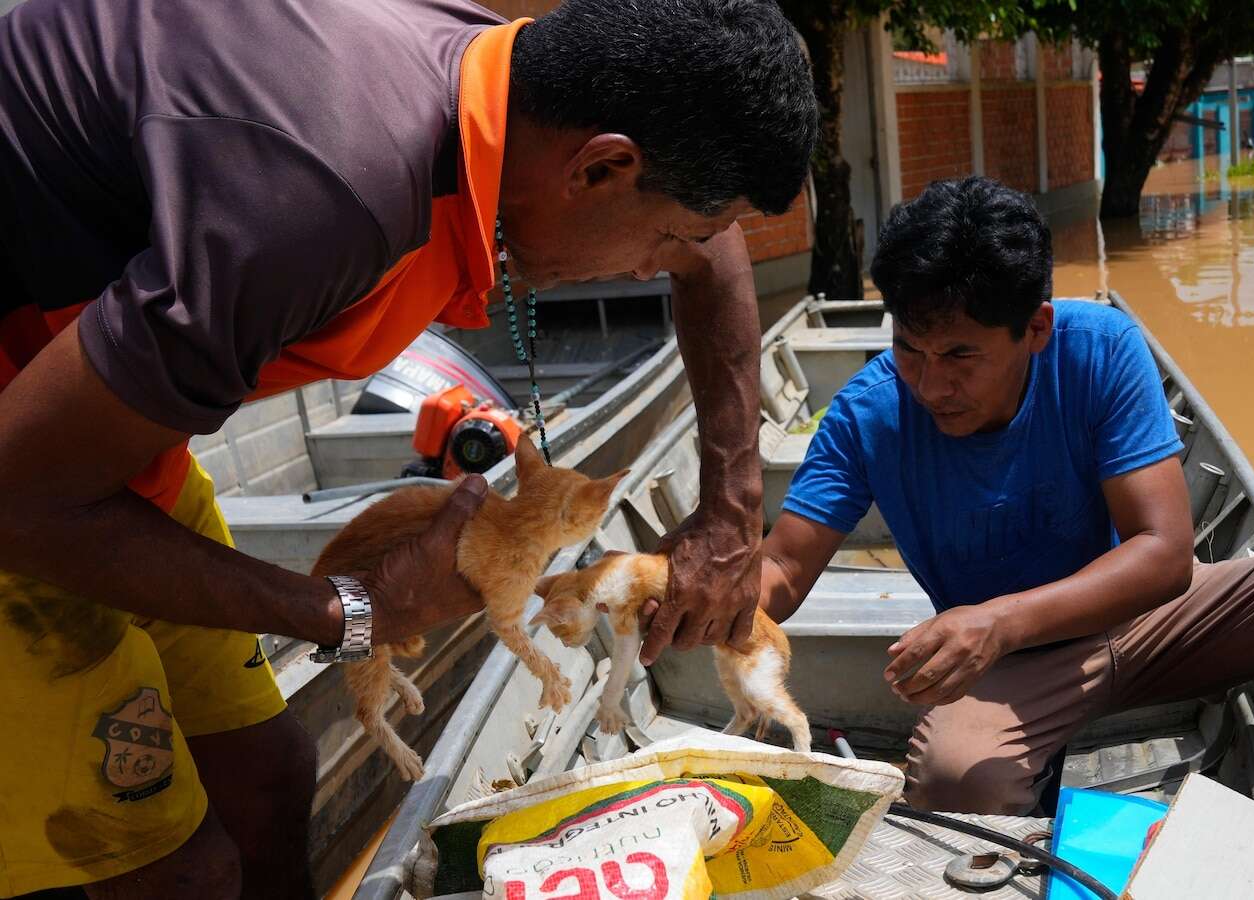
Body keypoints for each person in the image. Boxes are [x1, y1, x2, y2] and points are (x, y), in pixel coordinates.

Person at [0, 0, 815, 895]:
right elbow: (24, 496)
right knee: (177, 871)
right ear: (602, 167)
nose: (658, 267)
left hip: (100, 438)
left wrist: (734, 514)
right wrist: (353, 610)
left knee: (270, 780)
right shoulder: (319, 205)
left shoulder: (501, 80)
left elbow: (718, 249)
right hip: (30, 464)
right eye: (668, 239)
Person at [757, 176, 1254, 821]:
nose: (931, 384)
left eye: (960, 354)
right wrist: (689, 595)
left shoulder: (1100, 349)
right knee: (959, 780)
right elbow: (783, 568)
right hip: (1013, 666)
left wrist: (999, 619)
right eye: (908, 347)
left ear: (1036, 328)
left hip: (1148, 621)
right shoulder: (869, 412)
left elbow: (1164, 555)